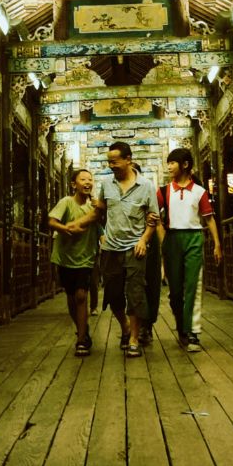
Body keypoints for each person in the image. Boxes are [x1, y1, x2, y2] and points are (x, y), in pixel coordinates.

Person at [83, 141, 159, 358]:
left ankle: (134, 338)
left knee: (135, 292)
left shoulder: (146, 186)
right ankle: (125, 327)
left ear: (128, 160)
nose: (111, 165)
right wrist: (78, 224)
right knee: (113, 293)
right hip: (110, 248)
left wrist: (144, 240)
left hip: (135, 247)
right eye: (109, 162)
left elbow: (153, 218)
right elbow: (102, 209)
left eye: (115, 162)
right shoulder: (107, 184)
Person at [158, 147, 221, 353]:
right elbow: (153, 213)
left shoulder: (199, 192)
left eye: (172, 163)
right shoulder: (164, 191)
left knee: (193, 285)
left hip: (194, 237)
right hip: (172, 239)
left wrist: (217, 244)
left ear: (185, 165)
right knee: (175, 292)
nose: (169, 167)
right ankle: (181, 325)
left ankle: (193, 332)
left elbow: (209, 219)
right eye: (168, 163)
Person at [47, 168, 99, 356]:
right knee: (71, 298)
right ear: (73, 184)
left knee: (81, 296)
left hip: (86, 258)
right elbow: (52, 222)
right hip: (65, 258)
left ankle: (81, 340)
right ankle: (82, 329)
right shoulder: (66, 202)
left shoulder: (93, 208)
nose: (87, 182)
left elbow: (101, 227)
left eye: (90, 179)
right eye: (83, 179)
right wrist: (66, 229)